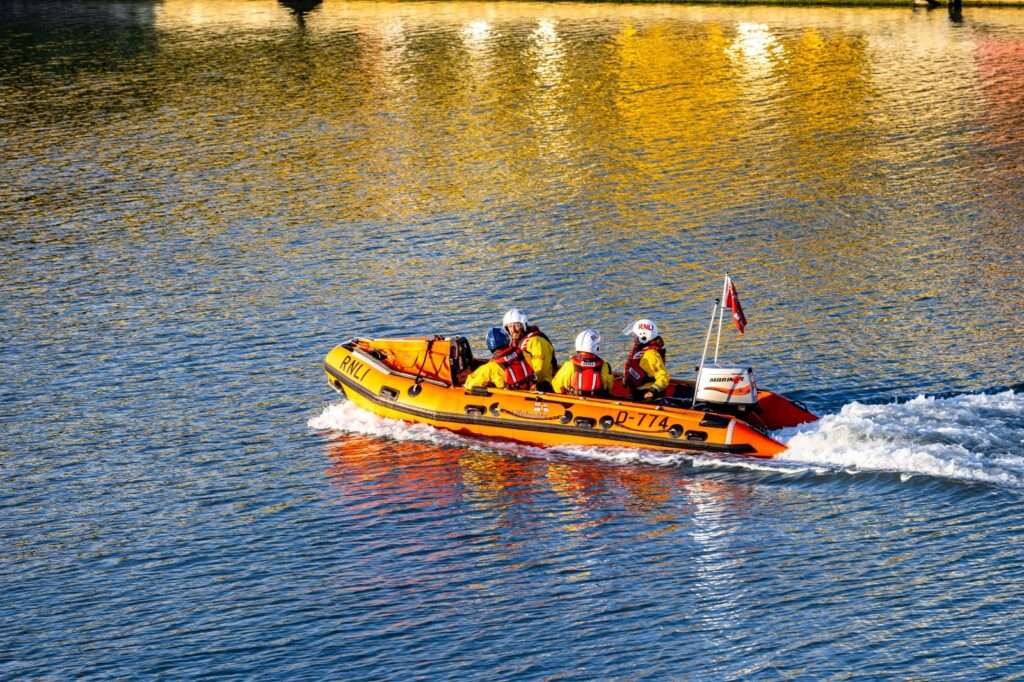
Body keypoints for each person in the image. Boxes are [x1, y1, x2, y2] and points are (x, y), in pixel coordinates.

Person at [502, 308, 557, 392]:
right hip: (526, 380)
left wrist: (535, 385)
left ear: (523, 325)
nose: (513, 330)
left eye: (516, 325)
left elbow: (541, 370)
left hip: (543, 385)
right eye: (510, 326)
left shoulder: (536, 342)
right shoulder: (516, 341)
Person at [464, 327, 535, 391]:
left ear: (489, 346)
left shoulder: (489, 369)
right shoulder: (522, 354)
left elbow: (469, 384)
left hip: (510, 397)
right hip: (529, 390)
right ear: (508, 340)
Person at [551, 329, 614, 397]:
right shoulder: (604, 366)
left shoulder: (569, 365)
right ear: (596, 347)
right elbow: (609, 386)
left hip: (574, 400)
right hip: (597, 400)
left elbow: (556, 386)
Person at [622, 318, 670, 401]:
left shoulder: (651, 355)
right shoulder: (640, 351)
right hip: (637, 392)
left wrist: (652, 391)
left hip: (648, 395)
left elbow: (663, 376)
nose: (634, 339)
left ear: (644, 337)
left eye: (635, 336)